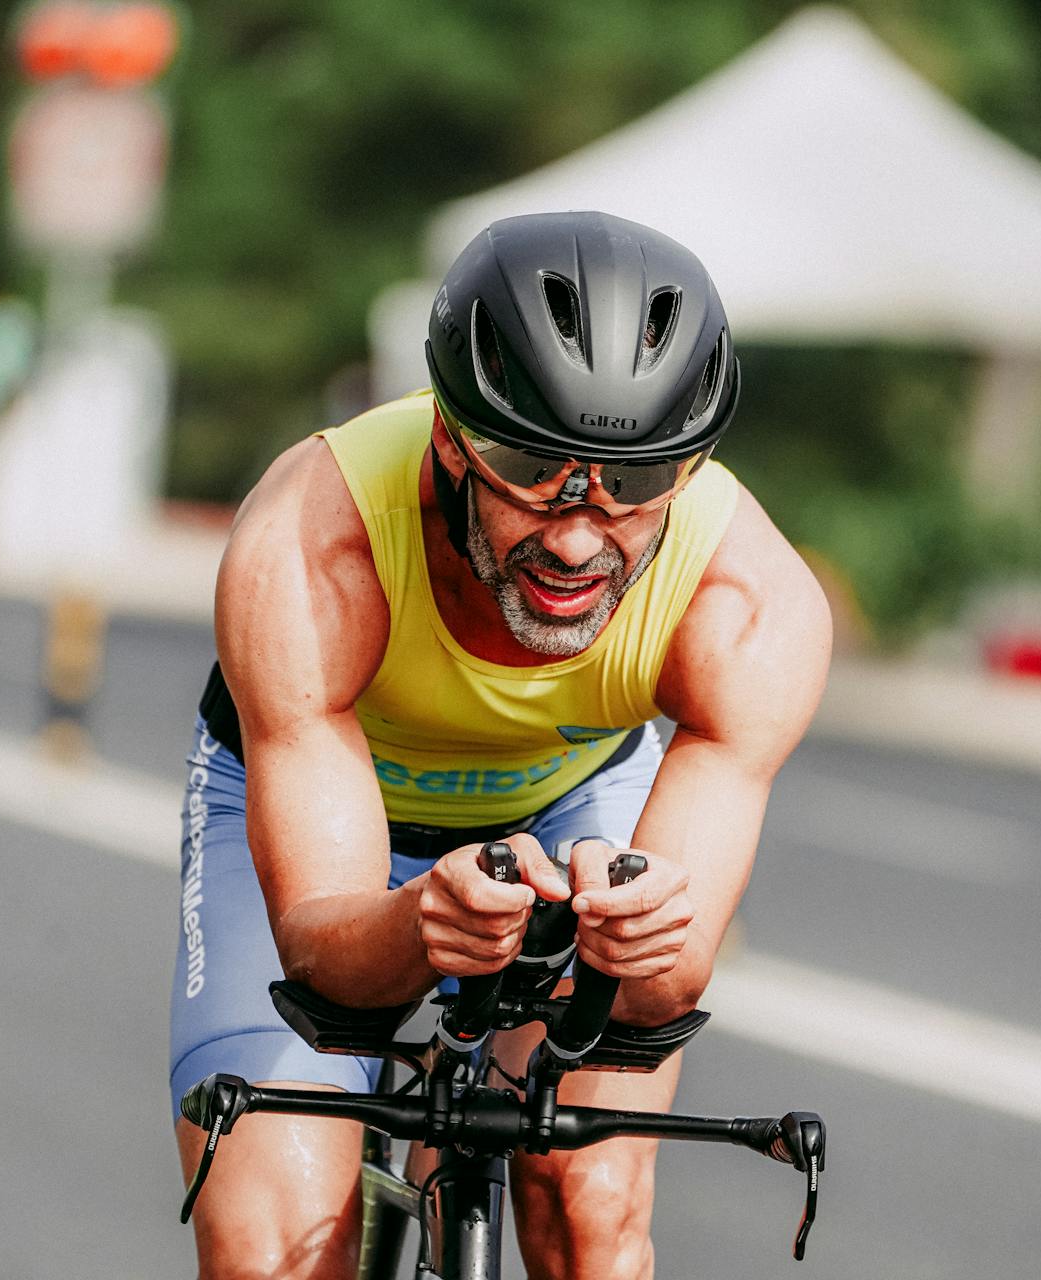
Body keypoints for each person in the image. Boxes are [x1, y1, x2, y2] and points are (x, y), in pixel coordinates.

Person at [171, 211, 832, 1279]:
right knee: (270, 1247)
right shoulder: (311, 548)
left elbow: (664, 993)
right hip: (328, 833)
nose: (579, 532)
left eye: (636, 480)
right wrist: (424, 920)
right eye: (533, 464)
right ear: (449, 436)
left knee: (592, 1209)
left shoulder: (748, 607)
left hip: (570, 803)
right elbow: (324, 955)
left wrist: (640, 941)